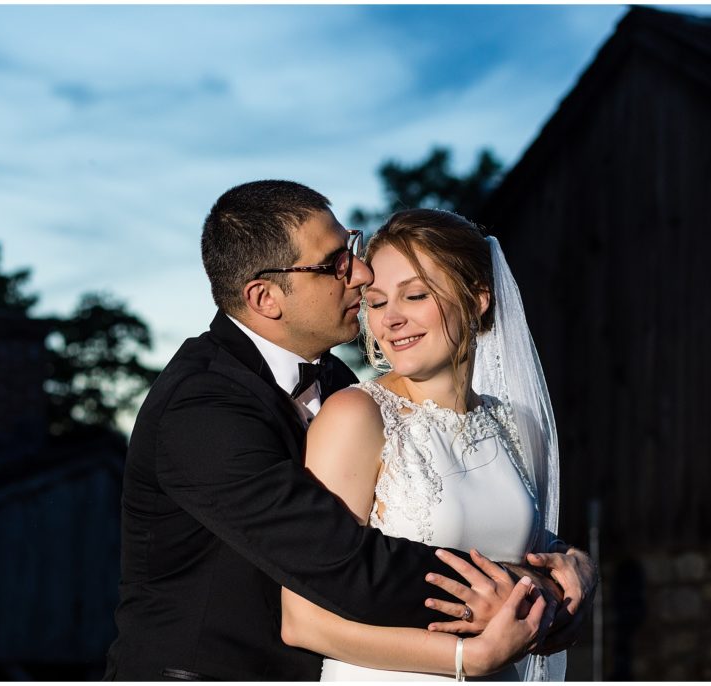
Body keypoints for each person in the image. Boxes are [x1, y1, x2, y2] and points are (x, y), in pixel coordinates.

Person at [102, 181, 585, 681]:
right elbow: (345, 560)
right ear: (265, 298)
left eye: (350, 247)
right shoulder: (200, 408)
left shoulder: (334, 379)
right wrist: (526, 589)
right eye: (334, 263)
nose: (360, 272)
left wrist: (570, 561)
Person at [281, 208, 596, 680]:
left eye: (415, 295)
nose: (391, 319)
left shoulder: (513, 424)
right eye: (376, 302)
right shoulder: (356, 416)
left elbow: (530, 551)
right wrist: (464, 657)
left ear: (478, 298)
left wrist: (578, 565)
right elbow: (304, 620)